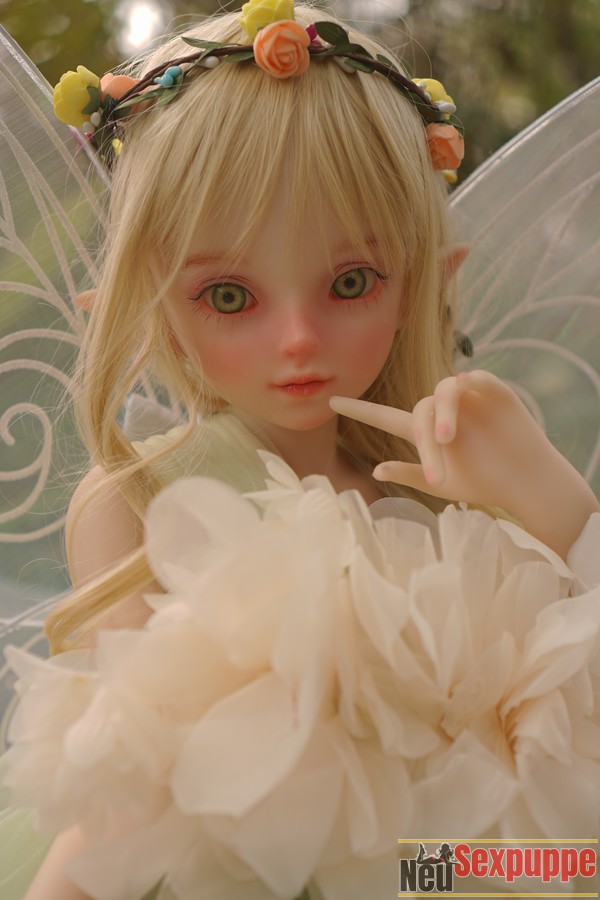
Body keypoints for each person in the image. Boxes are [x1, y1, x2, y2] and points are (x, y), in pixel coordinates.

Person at [2, 2, 599, 898]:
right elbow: (120, 806)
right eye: (228, 296)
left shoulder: (442, 489)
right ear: (145, 296)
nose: (298, 341)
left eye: (351, 282)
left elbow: (558, 739)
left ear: (424, 279)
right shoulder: (145, 499)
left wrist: (552, 500)